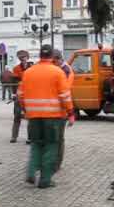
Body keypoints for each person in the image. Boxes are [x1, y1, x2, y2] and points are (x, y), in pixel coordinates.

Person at [19, 45, 75, 188]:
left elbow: (20, 95)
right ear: (52, 56)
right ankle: (45, 180)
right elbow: (65, 95)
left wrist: (26, 110)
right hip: (53, 116)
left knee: (36, 144)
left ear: (40, 56)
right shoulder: (57, 72)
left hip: (33, 116)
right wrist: (71, 113)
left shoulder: (28, 72)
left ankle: (31, 172)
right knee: (51, 146)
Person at [52, 49, 74, 173]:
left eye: (53, 61)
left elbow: (64, 93)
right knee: (55, 138)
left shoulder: (65, 71)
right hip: (54, 109)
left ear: (58, 60)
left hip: (61, 110)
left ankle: (57, 163)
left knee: (59, 139)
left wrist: (70, 114)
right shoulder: (60, 69)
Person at [10, 50, 33, 144]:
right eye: (21, 58)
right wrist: (13, 94)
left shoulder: (32, 67)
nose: (23, 59)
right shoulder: (16, 68)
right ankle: (14, 137)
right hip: (19, 96)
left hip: (30, 96)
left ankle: (30, 137)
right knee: (17, 116)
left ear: (27, 57)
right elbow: (14, 82)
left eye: (24, 57)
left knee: (30, 117)